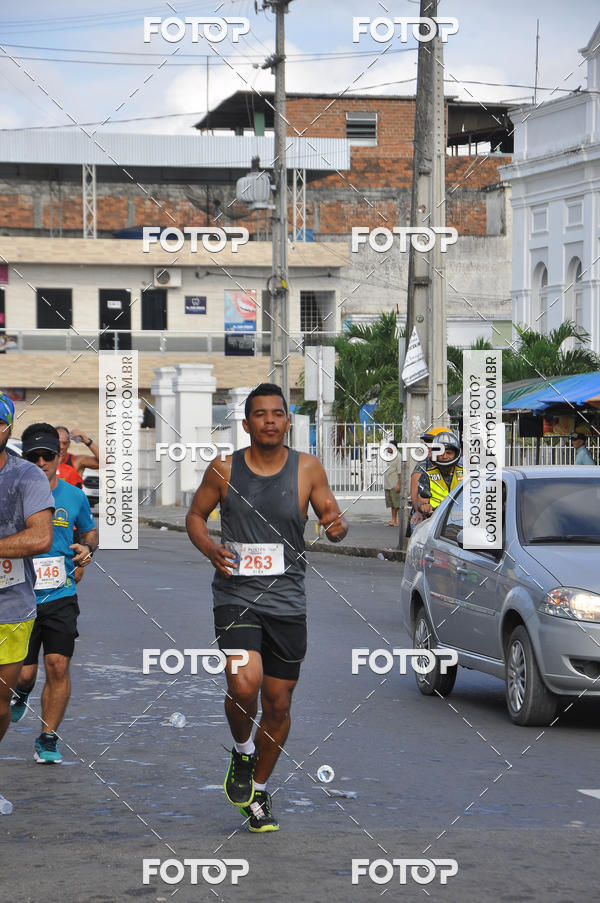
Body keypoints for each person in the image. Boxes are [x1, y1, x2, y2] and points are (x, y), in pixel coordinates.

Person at [186, 383, 348, 833]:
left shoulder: (308, 468)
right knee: (244, 684)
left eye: (278, 413)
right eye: (261, 414)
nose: (270, 420)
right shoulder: (223, 469)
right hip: (235, 596)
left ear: (287, 421)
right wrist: (210, 550)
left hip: (287, 602)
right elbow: (195, 516)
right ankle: (242, 751)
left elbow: (331, 515)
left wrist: (336, 527)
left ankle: (256, 791)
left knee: (277, 705)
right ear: (247, 423)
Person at [10, 423, 97, 765]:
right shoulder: (11, 494)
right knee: (26, 673)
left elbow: (90, 534)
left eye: (49, 455)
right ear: (26, 459)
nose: (42, 462)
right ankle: (23, 692)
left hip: (61, 594)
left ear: (60, 456)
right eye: (35, 457)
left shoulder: (73, 495)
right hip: (19, 594)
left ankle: (48, 737)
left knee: (58, 665)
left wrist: (86, 551)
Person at [0, 397, 54, 792]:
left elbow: (41, 536)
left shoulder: (26, 477)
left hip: (10, 607)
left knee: (0, 701)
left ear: (7, 428)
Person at [415, 430, 463, 518]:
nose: (445, 456)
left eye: (449, 453)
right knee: (415, 526)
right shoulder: (427, 475)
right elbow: (421, 500)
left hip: (463, 519)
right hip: (437, 520)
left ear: (456, 454)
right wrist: (424, 506)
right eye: (441, 453)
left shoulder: (467, 473)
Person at [383, 439, 402, 526]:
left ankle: (399, 521)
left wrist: (399, 484)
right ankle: (393, 520)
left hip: (394, 484)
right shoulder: (390, 457)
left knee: (397, 504)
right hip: (388, 484)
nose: (387, 449)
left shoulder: (398, 456)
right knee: (392, 504)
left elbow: (400, 472)